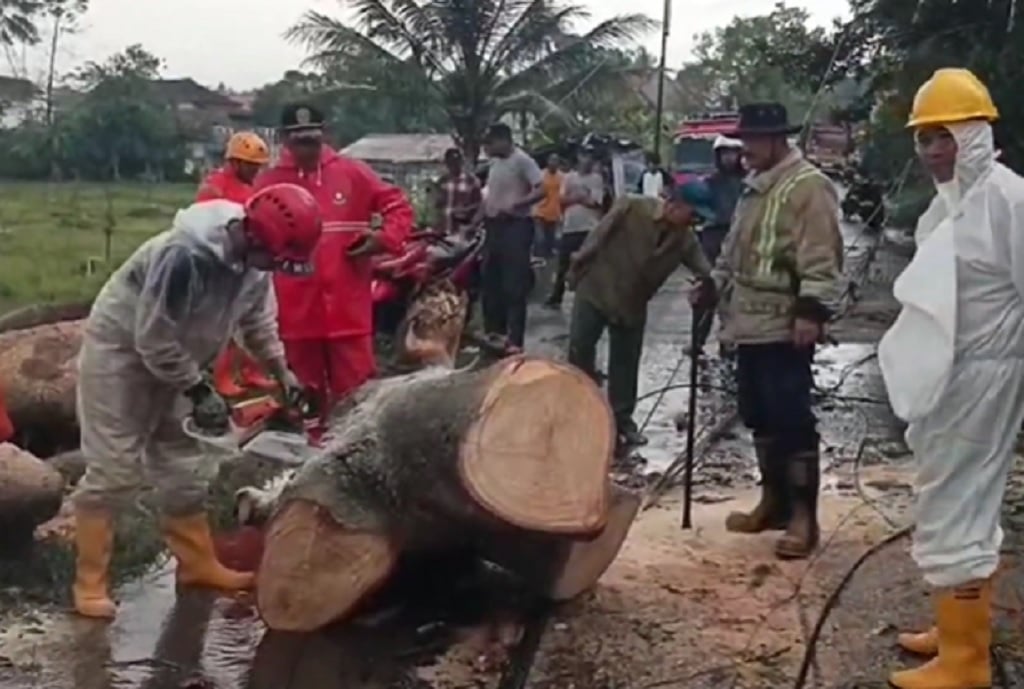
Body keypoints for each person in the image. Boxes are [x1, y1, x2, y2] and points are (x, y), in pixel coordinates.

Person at [71, 183, 320, 619]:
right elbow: (153, 337)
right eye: (274, 258)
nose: (275, 268)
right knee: (114, 467)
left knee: (184, 463)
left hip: (180, 359)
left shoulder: (254, 267)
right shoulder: (183, 257)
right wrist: (198, 388)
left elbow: (258, 323)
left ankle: (196, 564)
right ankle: (89, 583)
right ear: (254, 236)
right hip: (123, 355)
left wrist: (283, 373)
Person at [878, 68, 1018, 689]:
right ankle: (957, 624)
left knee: (961, 501)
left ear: (975, 134)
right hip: (950, 377)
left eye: (943, 136)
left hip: (987, 377)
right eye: (923, 138)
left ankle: (966, 663)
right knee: (948, 497)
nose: (932, 150)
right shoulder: (950, 206)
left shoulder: (1007, 202)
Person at [703, 102, 842, 560]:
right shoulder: (753, 189)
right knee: (758, 412)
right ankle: (773, 503)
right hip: (747, 322)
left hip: (785, 322)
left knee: (792, 418)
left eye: (751, 141)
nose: (743, 150)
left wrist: (811, 312)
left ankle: (804, 518)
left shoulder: (809, 187)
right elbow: (732, 248)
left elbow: (821, 256)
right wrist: (712, 284)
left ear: (776, 140)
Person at [254, 103, 413, 412]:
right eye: (298, 140)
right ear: (285, 139)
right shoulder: (268, 184)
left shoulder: (354, 173)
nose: (306, 148)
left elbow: (398, 207)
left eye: (312, 139)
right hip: (295, 318)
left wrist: (383, 239)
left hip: (348, 315)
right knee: (302, 401)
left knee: (358, 403)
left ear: (324, 135)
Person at [567, 181, 717, 452]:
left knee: (625, 362)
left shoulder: (685, 239)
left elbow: (706, 271)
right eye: (692, 214)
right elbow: (597, 237)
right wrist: (577, 268)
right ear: (675, 204)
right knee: (580, 348)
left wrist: (707, 286)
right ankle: (580, 410)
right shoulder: (632, 206)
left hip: (633, 302)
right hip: (597, 288)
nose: (694, 221)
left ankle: (622, 421)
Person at [195, 131, 278, 397]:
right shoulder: (214, 188)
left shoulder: (252, 188)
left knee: (254, 322)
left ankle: (252, 371)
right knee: (224, 326)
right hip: (219, 265)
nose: (256, 171)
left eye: (258, 166)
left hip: (248, 266)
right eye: (251, 166)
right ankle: (222, 376)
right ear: (235, 162)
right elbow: (207, 228)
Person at [480, 123, 544, 349]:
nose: (489, 147)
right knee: (491, 281)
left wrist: (518, 204)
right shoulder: (495, 163)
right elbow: (489, 194)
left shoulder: (523, 160)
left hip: (516, 226)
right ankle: (494, 334)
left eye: (492, 142)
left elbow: (541, 189)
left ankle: (515, 339)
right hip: (494, 227)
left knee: (514, 284)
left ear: (504, 140)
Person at [691, 135, 746, 356]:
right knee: (706, 289)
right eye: (724, 153)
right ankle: (697, 340)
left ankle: (730, 340)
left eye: (732, 153)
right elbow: (697, 211)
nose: (728, 158)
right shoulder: (709, 183)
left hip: (738, 239)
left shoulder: (749, 183)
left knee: (734, 294)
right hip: (712, 239)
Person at [545, 146, 605, 308]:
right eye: (584, 156)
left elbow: (595, 202)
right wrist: (580, 197)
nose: (587, 160)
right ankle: (556, 296)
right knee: (563, 264)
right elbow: (562, 199)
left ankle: (593, 297)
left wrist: (577, 198)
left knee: (591, 264)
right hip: (570, 226)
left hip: (589, 227)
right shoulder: (569, 178)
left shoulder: (596, 179)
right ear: (579, 157)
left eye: (590, 156)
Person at [435, 147, 482, 236]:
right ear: (446, 163)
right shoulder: (442, 181)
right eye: (450, 161)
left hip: (462, 231)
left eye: (456, 161)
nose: (453, 164)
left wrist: (465, 211)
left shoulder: (471, 181)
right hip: (443, 231)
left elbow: (479, 206)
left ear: (461, 161)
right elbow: (437, 206)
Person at [533, 154, 564, 259]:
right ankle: (539, 260)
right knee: (540, 239)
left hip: (554, 212)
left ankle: (548, 265)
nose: (553, 163)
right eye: (551, 160)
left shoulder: (562, 177)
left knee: (551, 241)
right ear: (547, 161)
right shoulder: (540, 175)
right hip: (540, 211)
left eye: (556, 161)